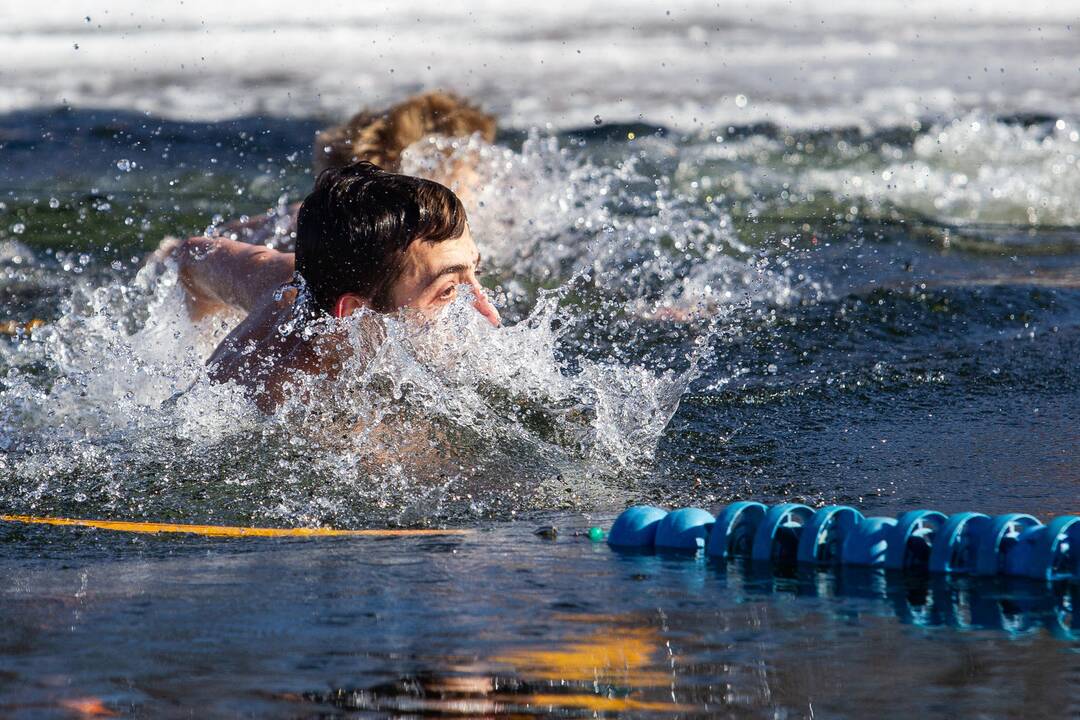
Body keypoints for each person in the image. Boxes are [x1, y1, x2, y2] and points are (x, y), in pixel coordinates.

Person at [170, 161, 499, 412]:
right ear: (353, 314)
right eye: (447, 290)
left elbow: (191, 254)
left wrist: (205, 338)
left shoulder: (286, 281)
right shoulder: (295, 405)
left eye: (476, 271)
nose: (489, 314)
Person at [224, 91, 496, 249]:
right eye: (474, 164)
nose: (482, 179)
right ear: (433, 166)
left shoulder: (314, 217)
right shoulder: (316, 225)